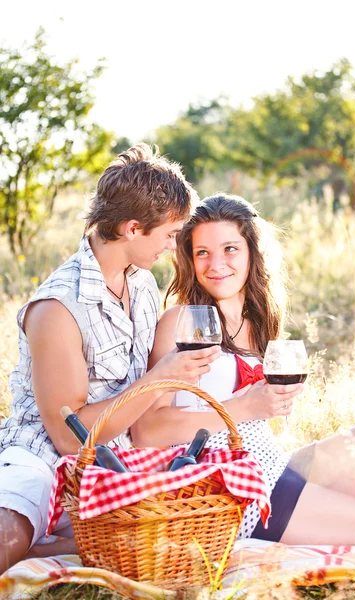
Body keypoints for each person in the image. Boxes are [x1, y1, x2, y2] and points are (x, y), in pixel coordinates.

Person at [132, 192, 355, 547]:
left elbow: (255, 420)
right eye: (202, 253)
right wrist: (244, 407)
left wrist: (271, 405)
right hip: (236, 491)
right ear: (189, 260)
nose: (216, 264)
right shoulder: (183, 322)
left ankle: (326, 509)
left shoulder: (257, 322)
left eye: (230, 249)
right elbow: (147, 430)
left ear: (251, 253)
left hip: (277, 466)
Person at [0, 144, 221, 573]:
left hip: (114, 463)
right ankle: (38, 542)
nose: (174, 247)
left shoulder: (139, 284)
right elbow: (68, 438)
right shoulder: (58, 307)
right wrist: (161, 377)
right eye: (170, 235)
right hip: (43, 458)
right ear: (133, 228)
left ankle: (60, 546)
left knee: (179, 535)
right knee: (12, 528)